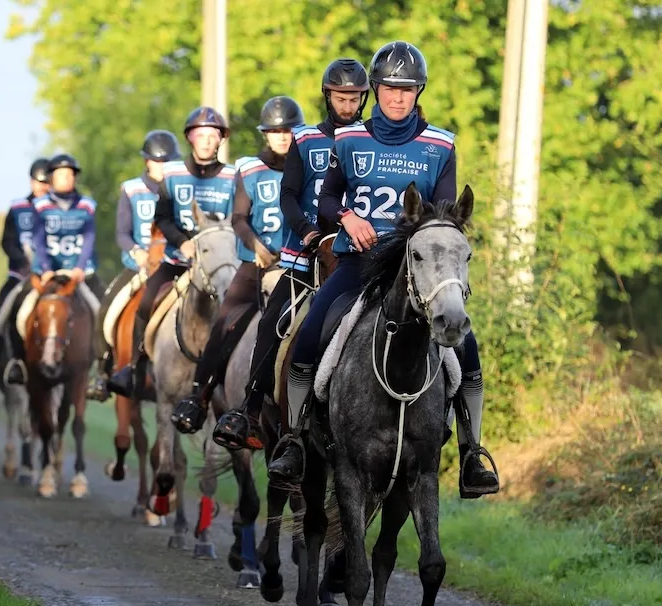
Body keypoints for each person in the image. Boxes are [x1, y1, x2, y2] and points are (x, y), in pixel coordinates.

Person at [264, 41, 500, 499]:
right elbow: (329, 198)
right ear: (376, 89)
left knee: (465, 347)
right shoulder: (349, 138)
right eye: (390, 88)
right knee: (310, 331)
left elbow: (445, 210)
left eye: (407, 89)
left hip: (416, 269)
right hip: (358, 262)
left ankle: (472, 454)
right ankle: (293, 440)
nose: (398, 97)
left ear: (418, 92)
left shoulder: (440, 145)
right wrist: (347, 218)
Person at [209, 58, 369, 452]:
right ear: (327, 96)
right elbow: (289, 196)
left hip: (361, 254)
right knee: (272, 324)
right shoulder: (306, 138)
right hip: (305, 253)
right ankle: (248, 408)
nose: (346, 105)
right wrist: (308, 232)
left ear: (364, 98)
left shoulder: (372, 139)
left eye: (353, 98)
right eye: (339, 98)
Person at [170, 96, 304, 432]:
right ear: (265, 134)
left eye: (287, 130)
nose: (283, 137)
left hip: (299, 261)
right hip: (255, 261)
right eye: (275, 131)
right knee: (226, 319)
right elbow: (239, 218)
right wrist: (255, 245)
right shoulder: (248, 168)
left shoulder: (309, 165)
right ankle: (199, 396)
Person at [107, 106, 236, 398]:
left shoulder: (232, 176)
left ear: (221, 140)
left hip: (218, 266)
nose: (206, 141)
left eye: (213, 135)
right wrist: (182, 242)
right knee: (146, 301)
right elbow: (162, 217)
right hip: (178, 262)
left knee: (239, 310)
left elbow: (235, 220)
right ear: (190, 138)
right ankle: (134, 365)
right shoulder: (173, 173)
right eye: (200, 135)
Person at [86, 129, 182, 401]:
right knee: (107, 307)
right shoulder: (131, 189)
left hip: (175, 264)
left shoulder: (181, 186)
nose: (162, 167)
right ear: (146, 161)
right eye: (156, 161)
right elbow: (121, 233)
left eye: (167, 161)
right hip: (139, 265)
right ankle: (103, 369)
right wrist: (136, 252)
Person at [3, 153, 106, 384]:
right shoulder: (39, 206)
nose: (66, 179)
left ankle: (103, 368)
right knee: (17, 307)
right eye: (61, 175)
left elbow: (89, 238)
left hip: (79, 273)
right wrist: (46, 269)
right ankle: (18, 362)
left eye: (70, 174)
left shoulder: (86, 205)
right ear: (52, 178)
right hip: (47, 274)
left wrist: (80, 268)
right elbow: (38, 240)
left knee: (104, 308)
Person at [0, 158, 53, 385]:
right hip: (21, 275)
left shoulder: (59, 209)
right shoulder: (17, 207)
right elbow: (7, 241)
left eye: (46, 183)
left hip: (52, 275)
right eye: (39, 182)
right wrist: (21, 259)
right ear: (31, 182)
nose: (42, 187)